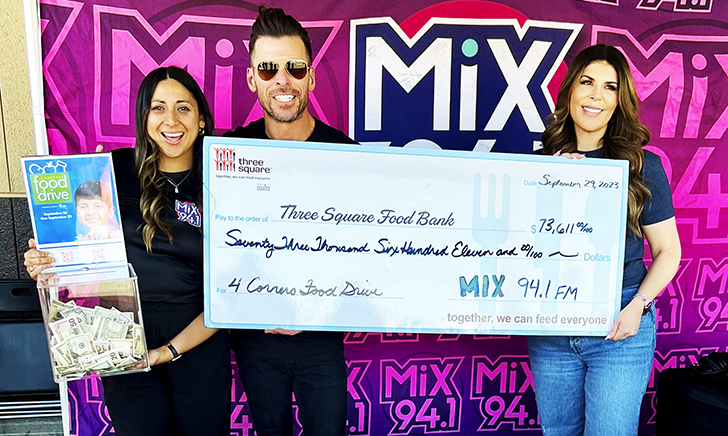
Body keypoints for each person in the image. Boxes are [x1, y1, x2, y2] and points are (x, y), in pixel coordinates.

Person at [24, 66, 231, 436]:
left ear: (201, 120)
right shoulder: (112, 170)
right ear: (143, 118)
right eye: (158, 108)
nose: (171, 120)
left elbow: (234, 290)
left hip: (199, 335)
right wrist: (47, 259)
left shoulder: (224, 178)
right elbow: (77, 243)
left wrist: (167, 351)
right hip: (120, 330)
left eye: (184, 108)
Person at [527, 45, 681, 435]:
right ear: (570, 93)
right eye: (587, 82)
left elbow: (667, 252)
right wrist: (546, 181)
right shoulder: (535, 163)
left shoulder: (642, 166)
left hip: (620, 325)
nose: (596, 94)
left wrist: (638, 306)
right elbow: (514, 249)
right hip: (551, 326)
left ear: (619, 100)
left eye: (609, 87)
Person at [224, 6, 356, 436]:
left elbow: (372, 254)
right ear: (251, 80)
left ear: (311, 78)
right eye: (268, 68)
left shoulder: (349, 155)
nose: (282, 80)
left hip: (322, 338)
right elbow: (162, 189)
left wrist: (322, 310)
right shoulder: (226, 152)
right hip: (253, 341)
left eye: (295, 68)